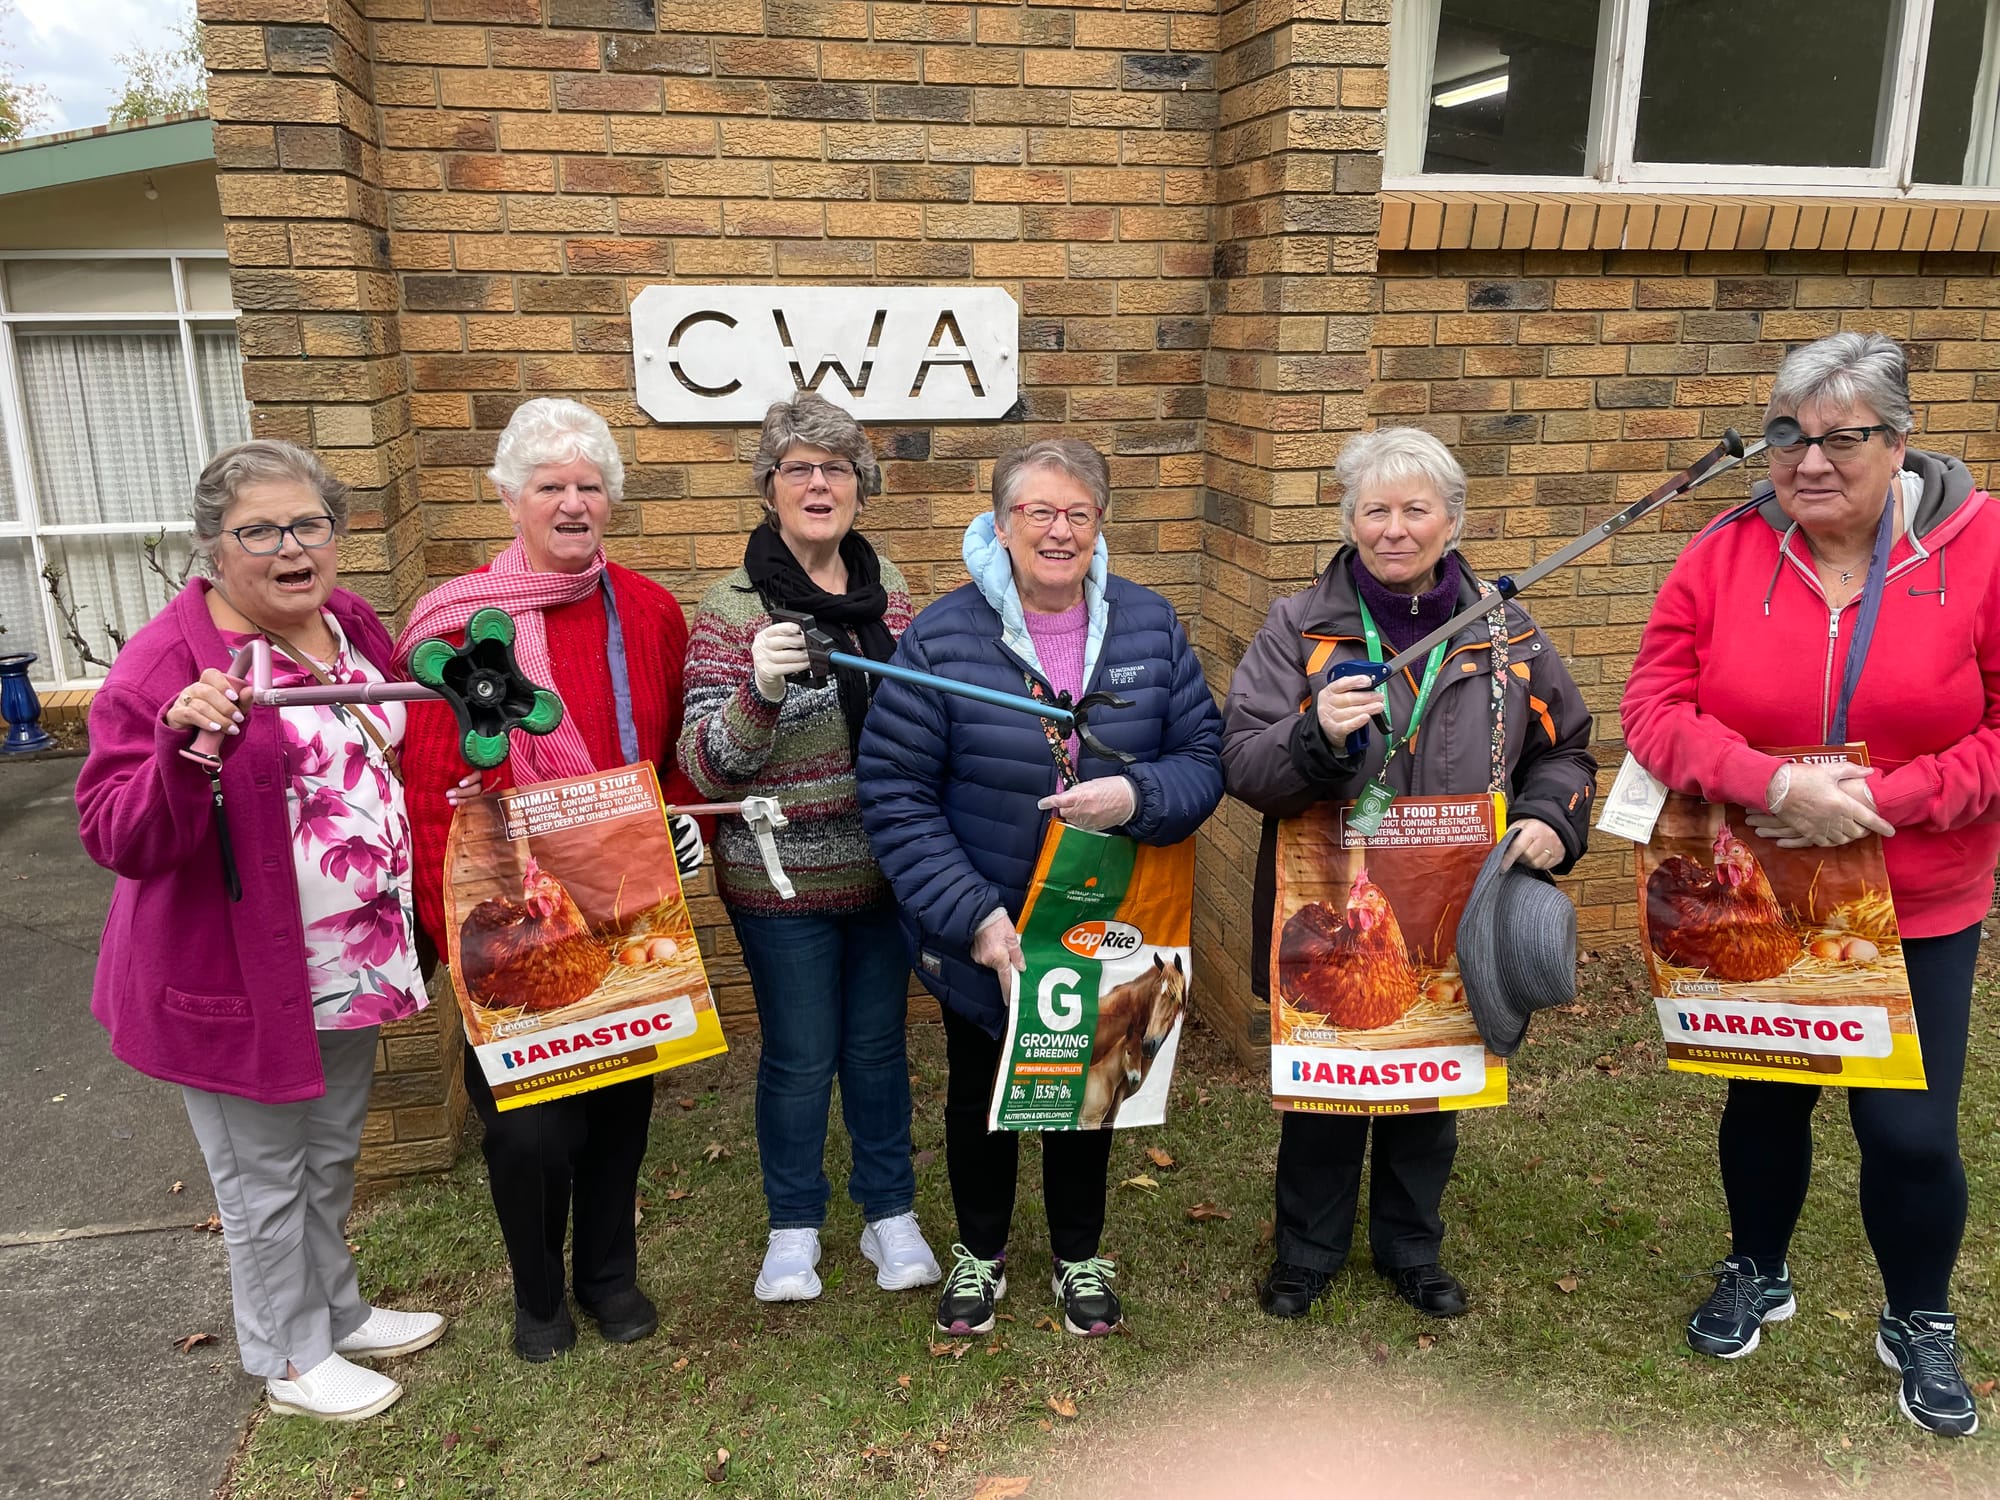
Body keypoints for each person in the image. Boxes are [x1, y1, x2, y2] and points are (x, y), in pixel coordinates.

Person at [1622, 332, 2000, 1438]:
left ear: (1898, 442)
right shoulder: (1722, 550)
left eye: (1842, 438)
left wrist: (1891, 798)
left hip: (1915, 891)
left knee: (1909, 1133)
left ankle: (1918, 1318)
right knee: (1764, 1098)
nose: (1809, 462)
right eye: (1788, 435)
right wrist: (1770, 779)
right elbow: (1653, 705)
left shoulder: (1977, 549)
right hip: (1749, 884)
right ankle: (1756, 1267)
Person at [77, 439, 444, 1422]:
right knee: (261, 1177)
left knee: (327, 1154)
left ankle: (333, 1309)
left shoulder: (349, 622)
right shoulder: (170, 662)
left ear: (336, 533)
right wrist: (180, 750)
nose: (290, 548)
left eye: (309, 525)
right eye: (259, 532)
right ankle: (288, 1357)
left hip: (349, 956)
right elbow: (117, 835)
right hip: (232, 973)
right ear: (212, 548)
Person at [1222, 426, 1596, 1322]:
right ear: (1349, 521)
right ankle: (1306, 1252)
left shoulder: (1507, 632)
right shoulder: (1297, 628)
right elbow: (1244, 764)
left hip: (1454, 898)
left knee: (1432, 1084)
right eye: (1375, 510)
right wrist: (1315, 734)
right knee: (1327, 1086)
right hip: (1330, 894)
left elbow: (1569, 751)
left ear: (1452, 521)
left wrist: (1551, 822)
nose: (1395, 529)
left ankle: (1409, 1247)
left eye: (1415, 510)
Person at [856, 438, 1223, 1339]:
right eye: (1039, 514)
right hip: (989, 925)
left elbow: (1203, 758)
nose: (1059, 532)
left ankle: (1077, 1252)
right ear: (1002, 523)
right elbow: (896, 793)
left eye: (1079, 515)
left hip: (1109, 923)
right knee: (983, 1089)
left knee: (1088, 1087)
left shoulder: (1149, 625)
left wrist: (1136, 795)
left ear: (1101, 525)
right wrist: (971, 917)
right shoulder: (941, 638)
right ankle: (981, 1252)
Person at [400, 398, 705, 1363]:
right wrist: (457, 929)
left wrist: (683, 819)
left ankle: (609, 1275)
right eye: (549, 487)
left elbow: (672, 749)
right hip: (509, 909)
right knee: (531, 1131)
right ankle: (540, 1295)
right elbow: (425, 791)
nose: (572, 504)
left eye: (588, 487)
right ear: (509, 499)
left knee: (620, 1106)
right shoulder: (451, 631)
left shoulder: (650, 610)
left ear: (609, 499)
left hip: (624, 891)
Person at [677, 393, 940, 1303]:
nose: (818, 484)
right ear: (770, 488)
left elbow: (922, 728)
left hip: (885, 871)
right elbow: (706, 769)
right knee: (798, 1055)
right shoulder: (729, 606)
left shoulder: (892, 590)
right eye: (798, 467)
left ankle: (888, 1213)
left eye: (835, 468)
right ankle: (794, 1229)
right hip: (780, 880)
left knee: (877, 1051)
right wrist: (758, 688)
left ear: (860, 488)